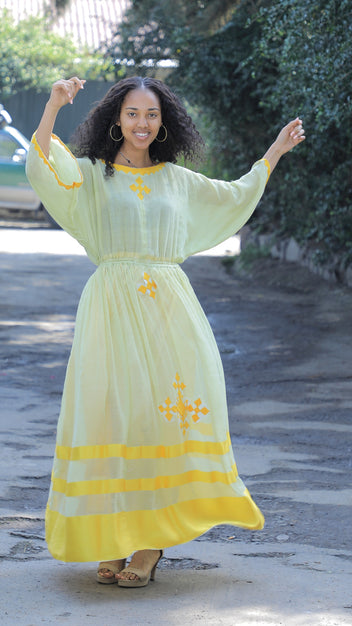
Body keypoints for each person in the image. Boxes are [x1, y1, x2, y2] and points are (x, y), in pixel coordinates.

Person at [26, 75, 305, 588]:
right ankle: (111, 538)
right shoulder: (93, 174)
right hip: (109, 309)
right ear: (116, 119)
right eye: (132, 113)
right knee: (112, 418)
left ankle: (150, 545)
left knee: (156, 422)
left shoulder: (177, 179)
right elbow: (41, 164)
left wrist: (274, 153)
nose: (142, 123)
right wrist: (53, 105)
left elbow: (233, 195)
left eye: (151, 115)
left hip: (168, 314)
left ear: (164, 122)